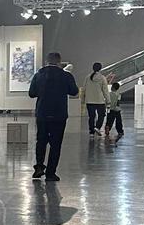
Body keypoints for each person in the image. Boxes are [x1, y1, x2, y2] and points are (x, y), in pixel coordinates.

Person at [28, 51, 79, 181]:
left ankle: (39, 167)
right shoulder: (66, 76)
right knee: (56, 144)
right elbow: (74, 91)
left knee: (41, 141)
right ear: (59, 62)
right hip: (59, 114)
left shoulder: (38, 75)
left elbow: (32, 93)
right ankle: (51, 173)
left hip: (42, 113)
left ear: (47, 61)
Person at [81, 61, 109, 134]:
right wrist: (108, 101)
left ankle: (91, 132)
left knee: (91, 117)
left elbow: (84, 89)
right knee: (101, 115)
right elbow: (105, 91)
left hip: (89, 101)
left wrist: (82, 100)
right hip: (100, 101)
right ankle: (97, 127)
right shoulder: (102, 78)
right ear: (100, 68)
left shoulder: (87, 77)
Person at [104, 73, 125, 140]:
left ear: (112, 87)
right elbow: (118, 102)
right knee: (118, 121)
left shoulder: (109, 94)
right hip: (116, 109)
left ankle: (108, 127)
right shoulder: (118, 94)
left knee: (109, 120)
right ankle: (120, 131)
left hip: (110, 109)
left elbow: (106, 101)